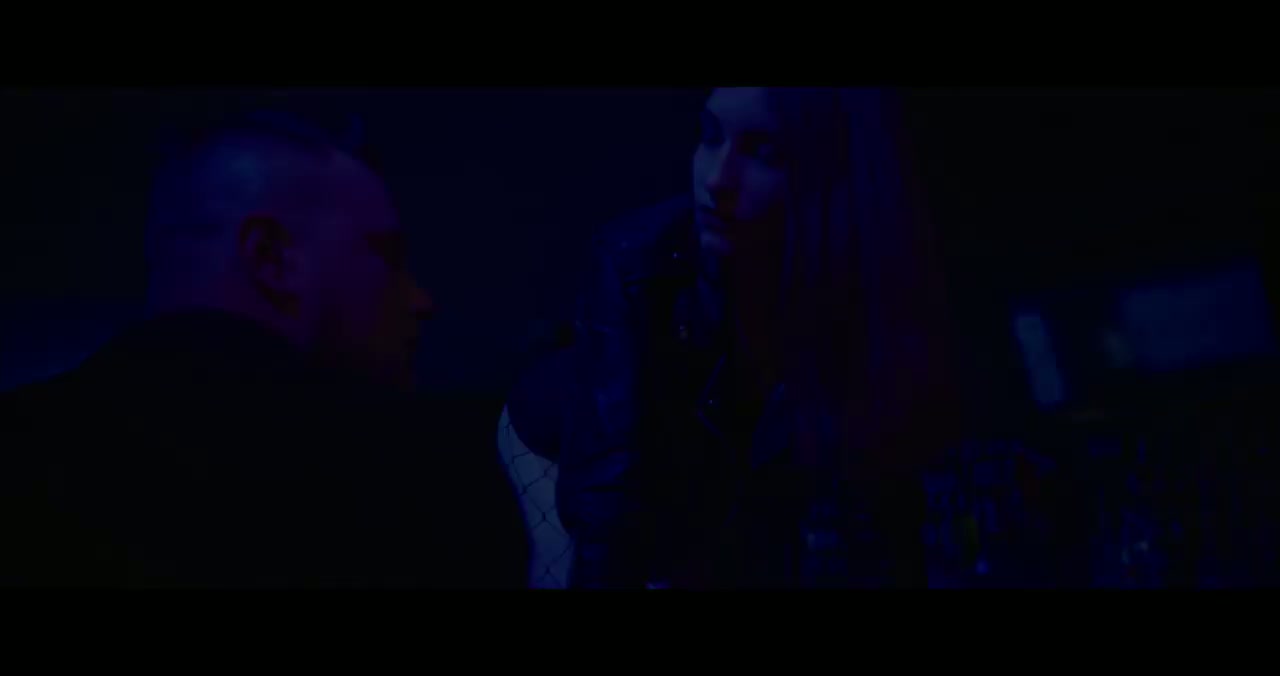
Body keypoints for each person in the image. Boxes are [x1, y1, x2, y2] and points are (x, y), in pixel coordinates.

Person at [0, 110, 524, 587]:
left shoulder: (21, 441)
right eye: (387, 254)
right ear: (272, 258)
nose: (422, 299)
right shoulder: (430, 467)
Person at [553, 88, 962, 588]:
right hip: (551, 453)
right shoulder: (635, 260)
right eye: (709, 137)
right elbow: (608, 495)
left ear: (829, 173)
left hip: (690, 474)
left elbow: (884, 491)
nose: (717, 179)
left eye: (764, 153)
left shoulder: (857, 283)